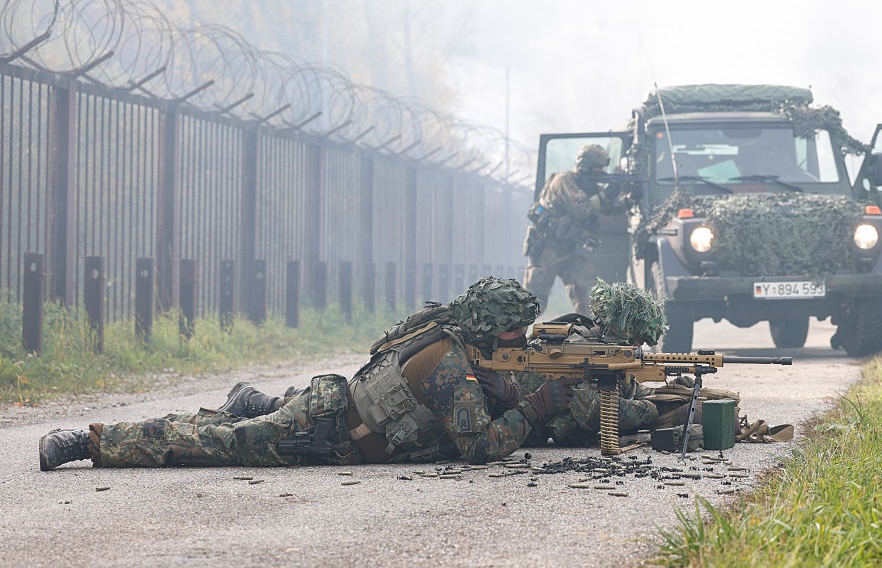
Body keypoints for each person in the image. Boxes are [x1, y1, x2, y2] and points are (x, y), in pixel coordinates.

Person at [38, 277, 580, 471]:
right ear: (490, 328)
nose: (521, 340)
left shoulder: (451, 330)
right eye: (515, 331)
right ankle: (88, 443)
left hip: (333, 407)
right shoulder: (452, 364)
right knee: (213, 443)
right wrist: (538, 404)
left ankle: (253, 400)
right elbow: (479, 448)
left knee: (223, 432)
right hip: (326, 432)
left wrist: (511, 389)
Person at [514, 279, 701, 447]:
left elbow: (624, 391)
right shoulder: (576, 351)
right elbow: (598, 412)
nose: (638, 346)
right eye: (636, 339)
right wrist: (656, 409)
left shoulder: (599, 347)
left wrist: (667, 392)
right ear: (619, 330)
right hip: (518, 429)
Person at [523, 143, 630, 314]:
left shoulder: (588, 187)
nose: (601, 172)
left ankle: (586, 334)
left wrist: (625, 199)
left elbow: (608, 210)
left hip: (570, 251)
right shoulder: (564, 181)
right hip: (547, 250)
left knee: (592, 295)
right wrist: (605, 194)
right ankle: (510, 337)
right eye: (598, 168)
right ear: (586, 165)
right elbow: (581, 210)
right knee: (532, 304)